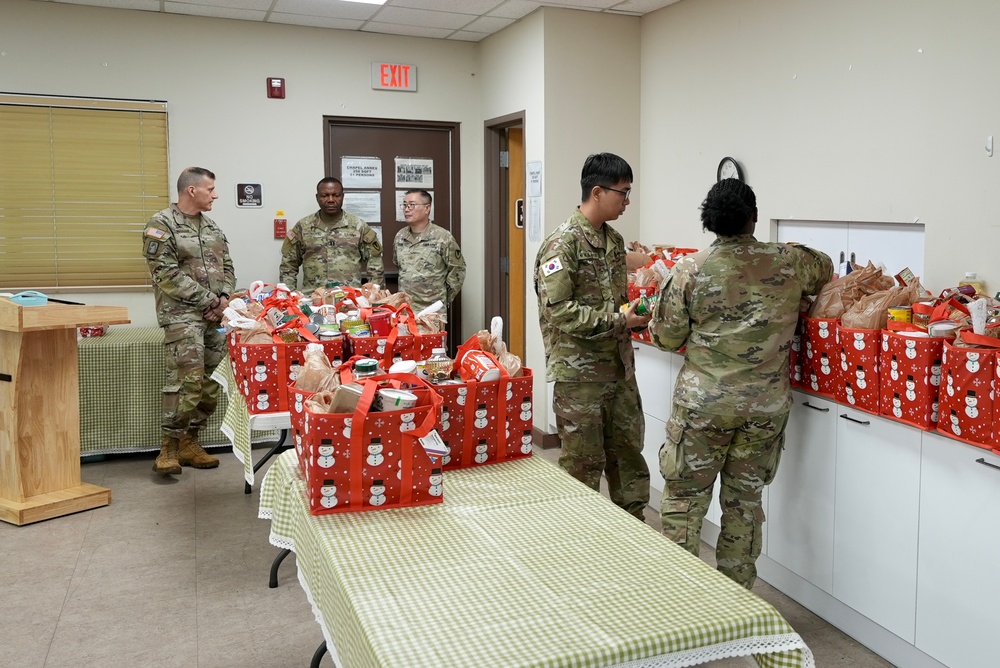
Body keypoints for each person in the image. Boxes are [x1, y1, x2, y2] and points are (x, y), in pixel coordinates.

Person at [648, 178, 833, 588]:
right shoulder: (791, 262)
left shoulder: (690, 270)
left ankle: (677, 604)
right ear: (754, 217)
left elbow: (666, 338)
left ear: (709, 222)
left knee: (684, 500)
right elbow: (826, 268)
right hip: (764, 410)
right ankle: (737, 602)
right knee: (744, 504)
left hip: (703, 406)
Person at [533, 152, 652, 521]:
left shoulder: (614, 242)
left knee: (629, 460)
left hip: (620, 371)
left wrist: (639, 315)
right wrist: (620, 322)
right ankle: (581, 545)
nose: (627, 201)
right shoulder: (562, 244)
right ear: (597, 192)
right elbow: (560, 312)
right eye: (623, 192)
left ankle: (635, 536)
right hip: (580, 377)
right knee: (582, 468)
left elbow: (618, 302)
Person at [143, 167, 237, 475]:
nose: (215, 194)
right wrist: (210, 301)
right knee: (187, 382)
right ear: (192, 191)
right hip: (181, 317)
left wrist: (223, 300)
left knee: (211, 383)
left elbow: (227, 266)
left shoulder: (212, 227)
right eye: (211, 189)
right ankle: (168, 448)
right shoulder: (161, 225)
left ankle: (190, 443)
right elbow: (166, 275)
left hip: (214, 317)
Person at [279, 177, 384, 292]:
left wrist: (374, 297)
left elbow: (375, 265)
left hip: (349, 299)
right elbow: (288, 265)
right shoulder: (303, 227)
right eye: (325, 196)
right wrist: (289, 296)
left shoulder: (358, 226)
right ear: (317, 198)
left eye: (336, 195)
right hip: (313, 298)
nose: (330, 200)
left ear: (342, 197)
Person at [393, 189, 466, 320]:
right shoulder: (400, 236)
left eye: (412, 205)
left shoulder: (443, 237)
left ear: (427, 208)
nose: (406, 209)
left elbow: (458, 270)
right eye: (404, 205)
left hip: (432, 312)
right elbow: (399, 265)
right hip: (405, 311)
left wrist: (442, 299)